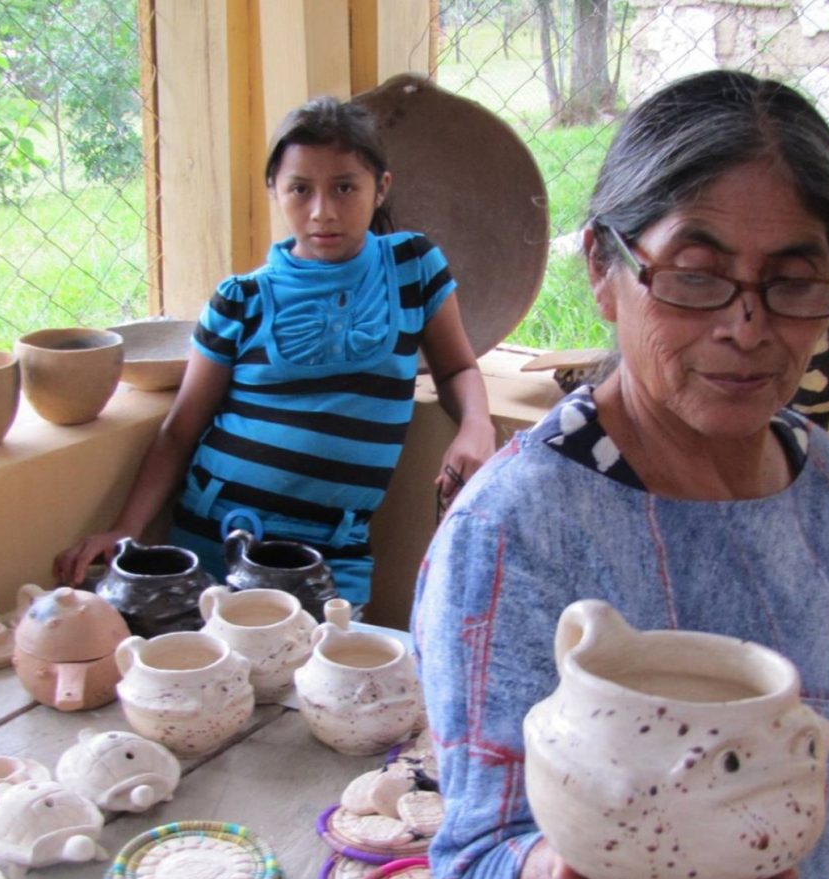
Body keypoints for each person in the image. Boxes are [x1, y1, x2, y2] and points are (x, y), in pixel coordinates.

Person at [411, 70, 829, 879]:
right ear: (604, 268)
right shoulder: (520, 526)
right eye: (694, 274)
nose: (746, 328)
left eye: (794, 284)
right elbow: (474, 877)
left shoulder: (811, 468)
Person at [53, 96, 499, 604]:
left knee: (327, 680)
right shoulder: (239, 300)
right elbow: (180, 430)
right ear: (275, 190)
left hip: (334, 558)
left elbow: (458, 367)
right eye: (300, 190)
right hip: (219, 543)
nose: (322, 211)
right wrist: (124, 529)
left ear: (382, 189)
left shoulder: (413, 267)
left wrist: (476, 426)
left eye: (345, 187)